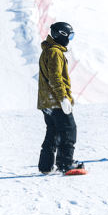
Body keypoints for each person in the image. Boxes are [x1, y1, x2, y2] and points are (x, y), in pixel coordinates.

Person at [37, 21, 82, 174]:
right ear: (60, 35)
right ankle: (65, 163)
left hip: (47, 101)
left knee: (53, 132)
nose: (70, 39)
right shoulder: (55, 52)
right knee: (68, 131)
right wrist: (63, 98)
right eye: (69, 35)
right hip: (56, 100)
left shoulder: (48, 50)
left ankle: (46, 166)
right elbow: (55, 77)